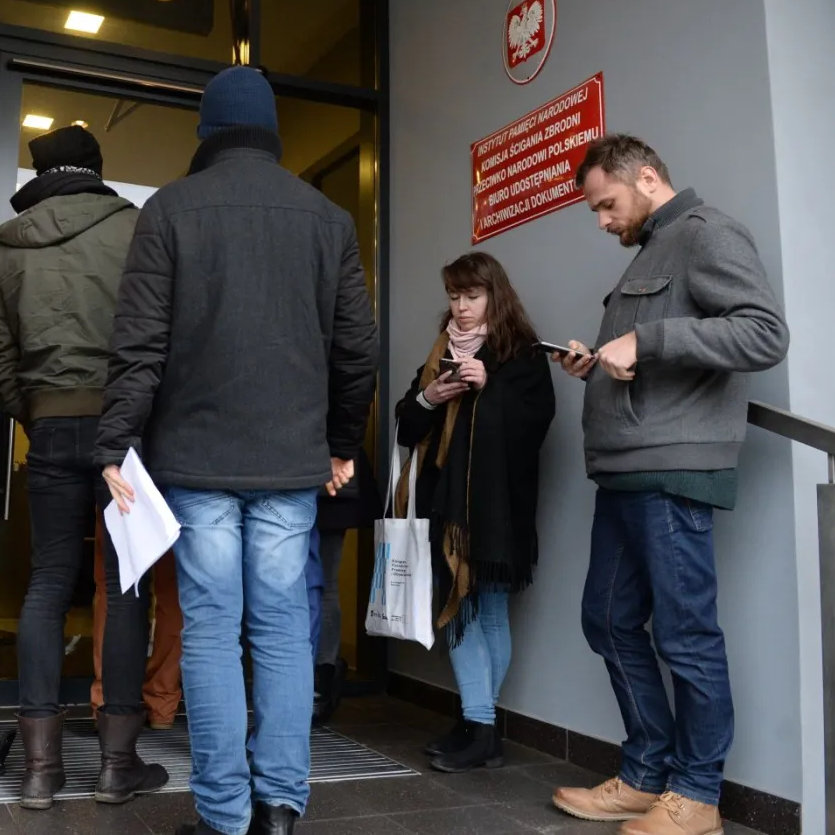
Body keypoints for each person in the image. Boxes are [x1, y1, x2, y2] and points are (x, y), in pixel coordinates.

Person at [95, 66, 379, 835]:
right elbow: (359, 348)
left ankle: (224, 817)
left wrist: (119, 442)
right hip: (290, 462)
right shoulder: (326, 219)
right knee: (284, 628)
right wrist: (339, 443)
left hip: (196, 460)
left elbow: (139, 343)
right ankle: (281, 808)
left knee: (213, 628)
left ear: (208, 133)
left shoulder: (170, 210)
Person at [550, 134, 788, 835]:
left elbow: (763, 333)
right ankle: (646, 771)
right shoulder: (651, 252)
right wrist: (599, 358)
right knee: (608, 620)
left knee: (686, 634)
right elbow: (644, 357)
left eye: (606, 204)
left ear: (647, 177)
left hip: (674, 469)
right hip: (626, 470)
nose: (602, 221)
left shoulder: (706, 234)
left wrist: (648, 342)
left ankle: (698, 794)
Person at [0, 124, 167, 810]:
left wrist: (34, 412)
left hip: (50, 425)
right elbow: (160, 331)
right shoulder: (137, 230)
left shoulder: (6, 248)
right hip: (127, 431)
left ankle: (38, 769)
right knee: (124, 586)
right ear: (95, 169)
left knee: (46, 581)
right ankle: (118, 764)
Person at [393, 252, 554, 773]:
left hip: (496, 507)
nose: (461, 308)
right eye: (454, 297)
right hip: (448, 509)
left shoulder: (520, 353)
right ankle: (477, 725)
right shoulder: (441, 352)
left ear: (495, 295)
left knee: (485, 612)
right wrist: (429, 396)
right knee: (461, 610)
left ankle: (478, 726)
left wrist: (491, 387)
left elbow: (537, 423)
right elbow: (404, 424)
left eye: (472, 296)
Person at [307, 445, 378, 727]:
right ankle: (321, 683)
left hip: (329, 479)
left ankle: (320, 680)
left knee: (321, 583)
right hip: (325, 474)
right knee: (323, 584)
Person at [91, 536, 182, 730]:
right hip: (178, 508)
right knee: (172, 590)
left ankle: (107, 700)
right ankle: (162, 704)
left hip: (122, 506)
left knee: (115, 585)